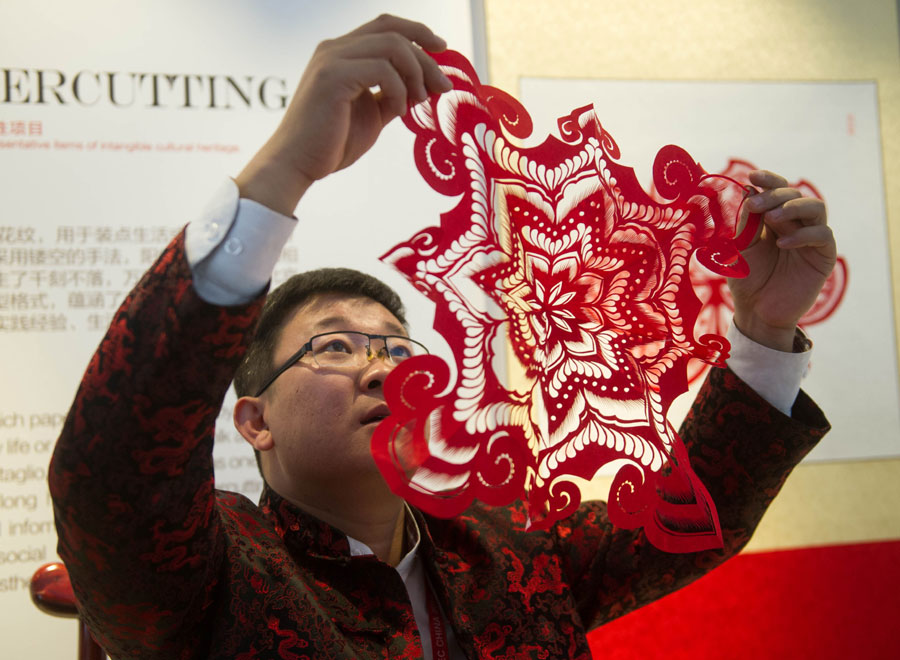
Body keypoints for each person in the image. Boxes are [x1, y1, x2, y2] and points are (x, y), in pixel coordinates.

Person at [49, 14, 834, 660]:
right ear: (254, 420)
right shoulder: (213, 574)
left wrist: (766, 327)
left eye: (397, 346)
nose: (381, 369)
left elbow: (686, 524)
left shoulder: (511, 552)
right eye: (333, 346)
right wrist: (285, 168)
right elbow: (112, 477)